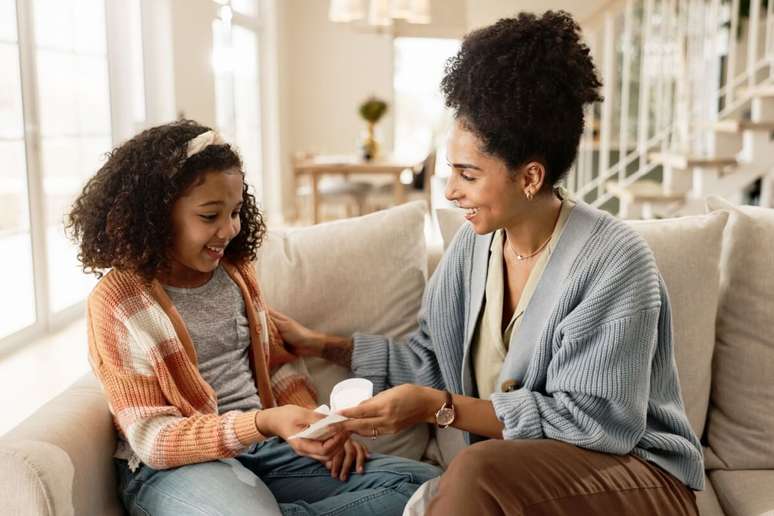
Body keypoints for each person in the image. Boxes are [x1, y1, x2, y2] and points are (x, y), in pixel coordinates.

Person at [271, 11, 703, 515]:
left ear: (530, 177)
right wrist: (323, 345)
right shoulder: (474, 248)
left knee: (471, 472)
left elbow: (597, 423)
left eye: (468, 175)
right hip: (512, 481)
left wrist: (441, 409)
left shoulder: (616, 262)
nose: (451, 191)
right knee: (461, 480)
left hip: (634, 477)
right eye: (450, 170)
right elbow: (431, 363)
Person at [66, 120, 439, 516]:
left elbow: (276, 362)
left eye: (236, 211)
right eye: (210, 216)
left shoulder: (236, 273)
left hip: (264, 450)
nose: (229, 230)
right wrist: (262, 423)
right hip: (177, 468)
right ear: (156, 217)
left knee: (432, 488)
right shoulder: (118, 301)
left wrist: (317, 427)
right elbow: (154, 440)